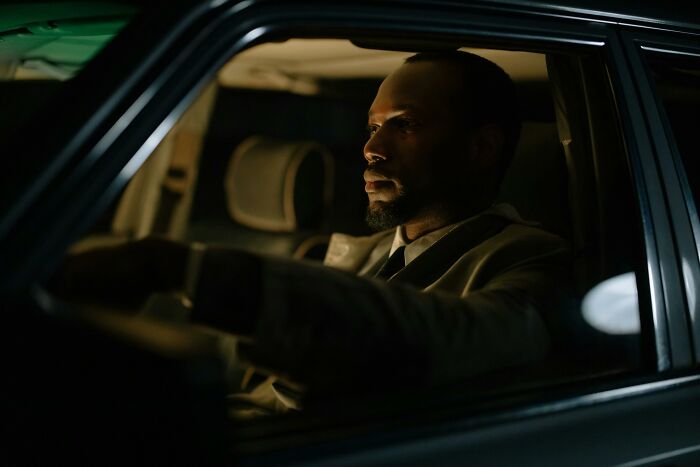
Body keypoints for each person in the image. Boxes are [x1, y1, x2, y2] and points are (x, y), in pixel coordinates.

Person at [52, 51, 571, 403]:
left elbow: (442, 339)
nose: (372, 148)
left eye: (405, 124)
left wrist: (182, 268)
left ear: (482, 148)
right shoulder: (357, 254)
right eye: (373, 125)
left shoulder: (537, 261)